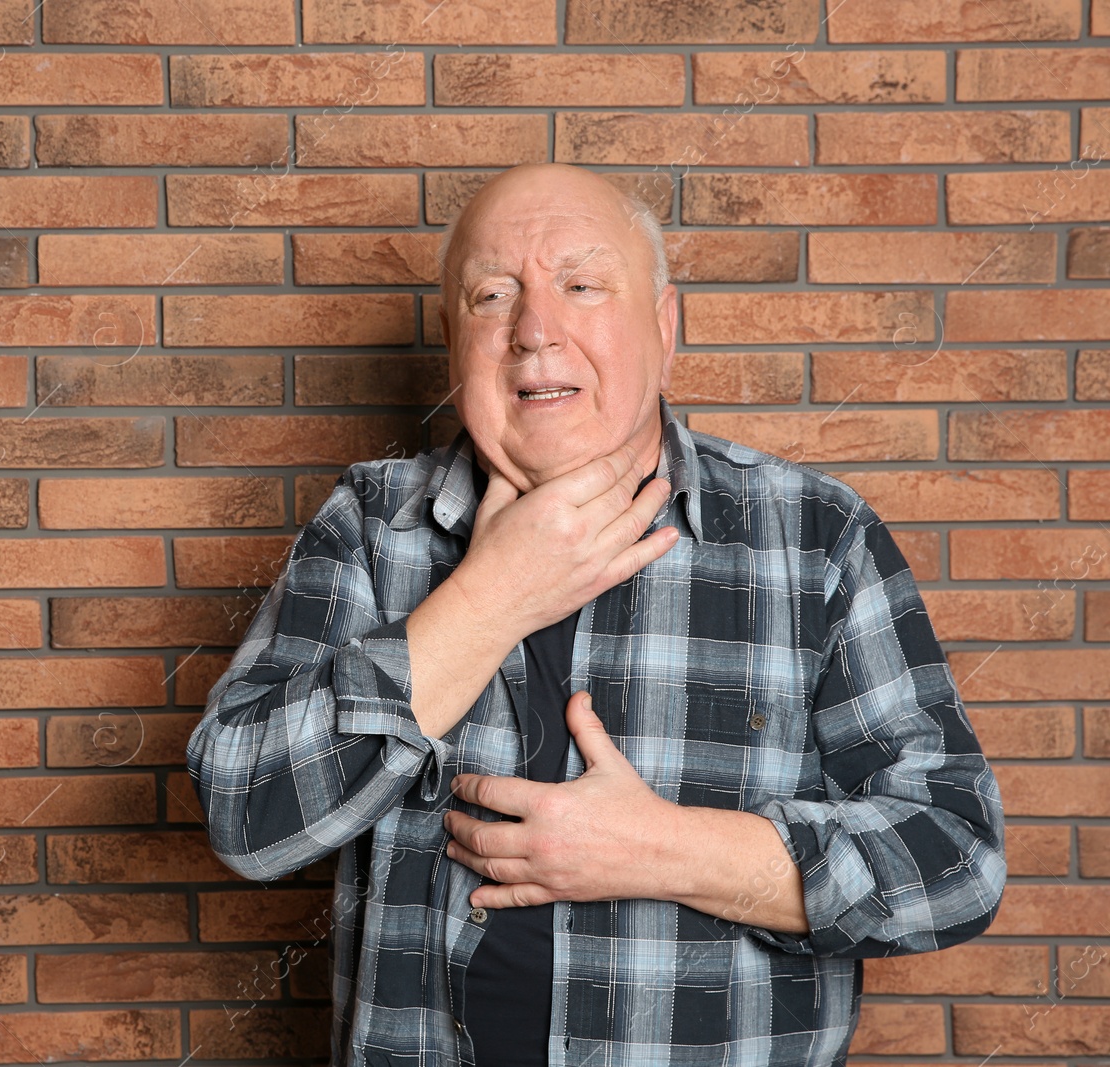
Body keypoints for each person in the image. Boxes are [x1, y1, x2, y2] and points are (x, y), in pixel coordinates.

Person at [185, 162, 1005, 1067]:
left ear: (664, 328)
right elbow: (242, 814)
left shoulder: (816, 540)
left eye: (581, 286)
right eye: (493, 296)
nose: (535, 332)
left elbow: (956, 858)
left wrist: (668, 850)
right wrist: (490, 596)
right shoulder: (373, 530)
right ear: (456, 344)